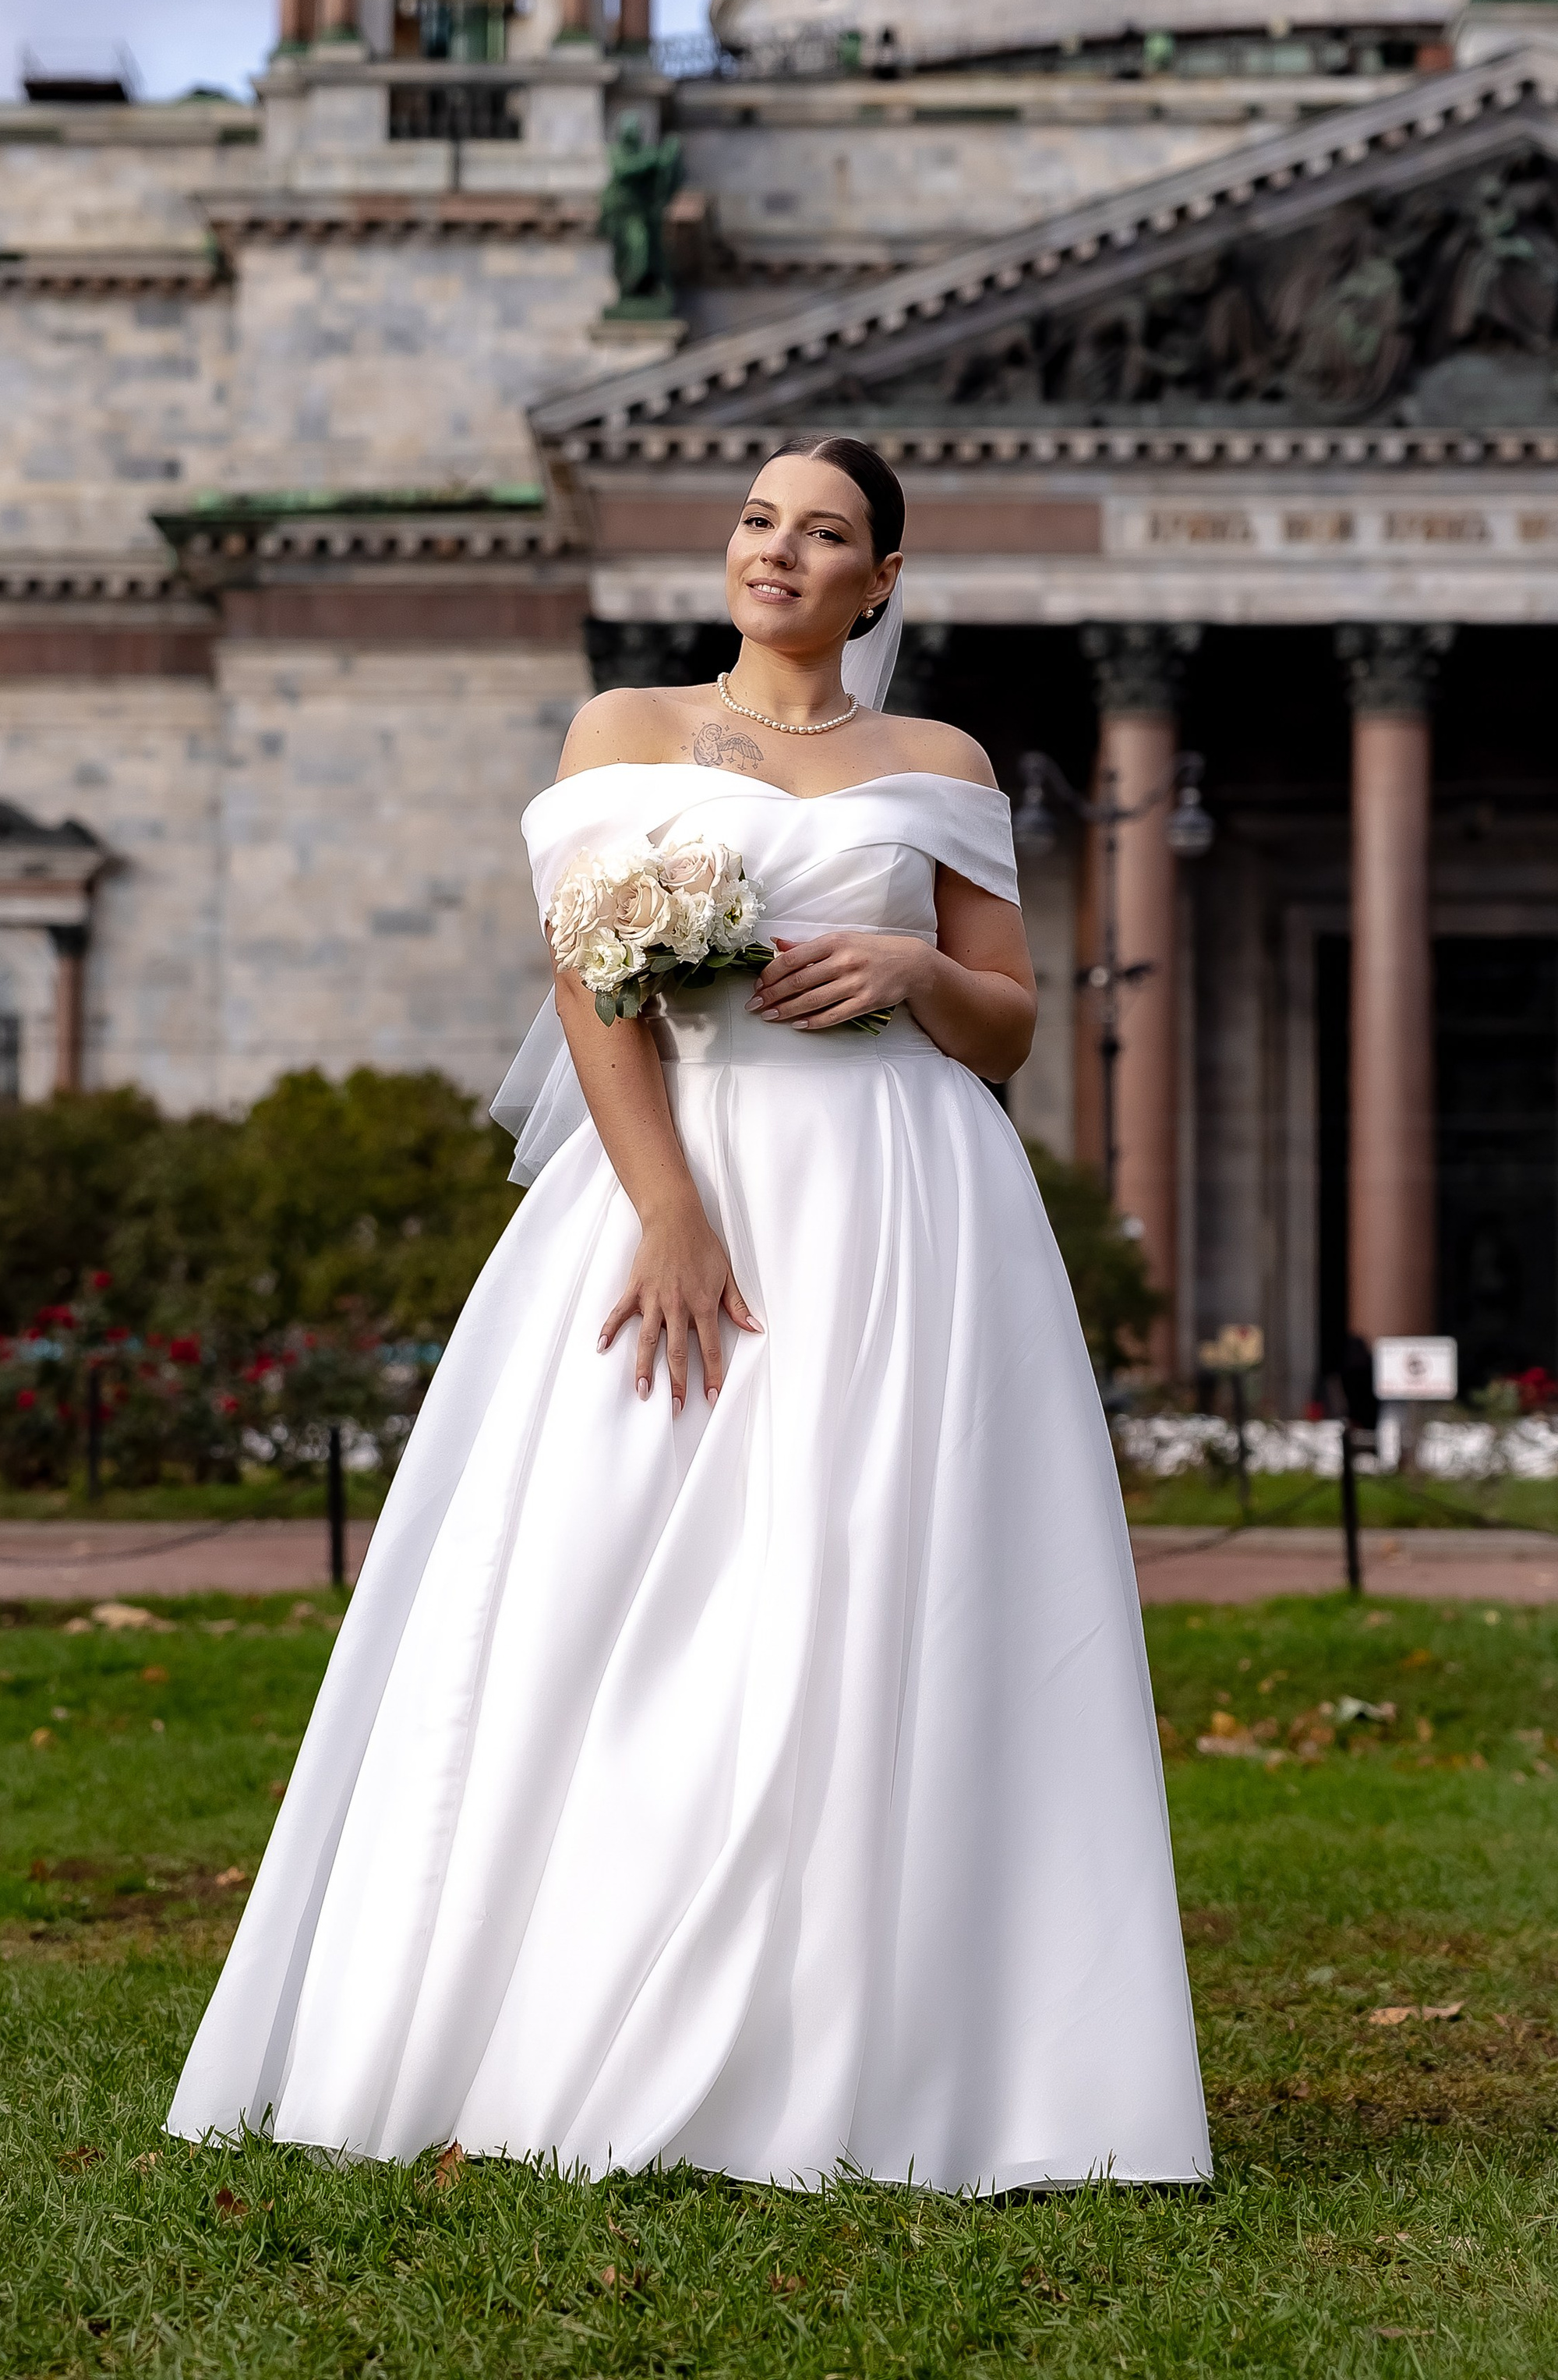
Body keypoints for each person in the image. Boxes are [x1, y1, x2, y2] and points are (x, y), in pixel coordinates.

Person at [166, 435, 1211, 2196]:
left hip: (901, 1186)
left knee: (876, 1564)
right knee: (623, 1573)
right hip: (682, 1178)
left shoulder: (939, 762)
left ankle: (886, 2037)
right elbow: (590, 986)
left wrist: (916, 971)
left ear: (879, 580)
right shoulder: (622, 732)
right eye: (754, 522)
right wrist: (661, 1206)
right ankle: (557, 2013)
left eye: (821, 535)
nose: (777, 553)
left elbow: (1014, 1024)